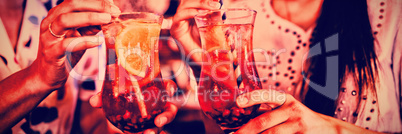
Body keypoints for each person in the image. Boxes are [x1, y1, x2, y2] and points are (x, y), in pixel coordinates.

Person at [170, 0, 401, 133]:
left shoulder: (391, 12)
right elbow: (225, 128)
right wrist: (206, 63)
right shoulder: (232, 13)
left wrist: (334, 130)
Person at [0, 0, 177, 133]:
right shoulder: (64, 19)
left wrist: (126, 127)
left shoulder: (72, 19)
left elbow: (89, 123)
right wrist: (37, 79)